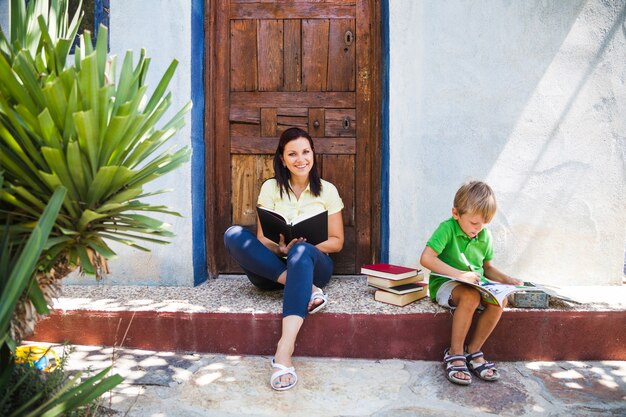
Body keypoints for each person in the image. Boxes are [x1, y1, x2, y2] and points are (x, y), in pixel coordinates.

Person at [224, 127, 344, 391]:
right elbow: (263, 240)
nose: (301, 159)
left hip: (314, 266)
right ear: (282, 158)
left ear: (313, 154)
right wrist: (281, 249)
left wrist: (304, 246)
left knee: (301, 252)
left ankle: (284, 351)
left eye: (305, 152)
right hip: (274, 268)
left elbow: (337, 241)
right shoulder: (270, 188)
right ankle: (306, 289)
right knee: (233, 234)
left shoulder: (327, 191)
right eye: (292, 154)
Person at [419, 181, 523, 385]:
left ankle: (474, 350)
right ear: (456, 213)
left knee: (500, 300)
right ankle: (454, 352)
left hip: (476, 283)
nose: (479, 229)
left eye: (484, 223)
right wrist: (459, 274)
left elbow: (488, 268)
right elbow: (426, 259)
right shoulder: (447, 228)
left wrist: (507, 280)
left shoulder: (484, 235)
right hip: (446, 283)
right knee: (470, 296)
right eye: (474, 223)